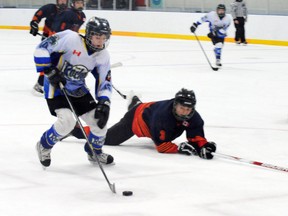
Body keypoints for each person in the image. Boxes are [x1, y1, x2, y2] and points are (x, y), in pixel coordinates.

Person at [34, 17, 114, 167]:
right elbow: (41, 48)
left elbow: (105, 81)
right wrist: (49, 70)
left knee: (99, 122)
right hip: (56, 88)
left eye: (104, 38)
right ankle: (43, 145)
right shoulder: (70, 38)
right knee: (67, 122)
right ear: (89, 35)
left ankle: (94, 152)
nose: (100, 42)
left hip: (78, 89)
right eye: (97, 37)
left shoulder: (103, 55)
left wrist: (104, 101)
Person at [102, 89, 217, 160]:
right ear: (175, 105)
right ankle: (84, 132)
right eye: (182, 108)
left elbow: (196, 136)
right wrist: (178, 148)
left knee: (163, 128)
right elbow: (161, 146)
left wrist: (203, 145)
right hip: (136, 118)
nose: (185, 112)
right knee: (106, 139)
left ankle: (135, 101)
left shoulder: (194, 116)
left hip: (150, 111)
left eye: (188, 109)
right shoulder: (162, 116)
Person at [30, 0, 68, 94]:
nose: (63, 2)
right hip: (48, 38)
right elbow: (38, 15)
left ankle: (59, 83)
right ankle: (40, 83)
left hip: (62, 40)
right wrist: (34, 23)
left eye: (64, 0)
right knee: (48, 61)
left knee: (63, 62)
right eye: (61, 0)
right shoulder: (50, 8)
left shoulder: (69, 13)